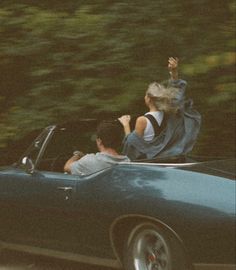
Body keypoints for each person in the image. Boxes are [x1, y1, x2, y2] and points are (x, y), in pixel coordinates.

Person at [118, 57, 201, 160]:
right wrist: (174, 73)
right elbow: (176, 97)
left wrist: (126, 125)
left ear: (149, 99)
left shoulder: (142, 120)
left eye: (145, 95)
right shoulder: (169, 115)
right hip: (163, 162)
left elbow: (131, 147)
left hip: (148, 164)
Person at [64, 121, 130, 175]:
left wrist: (77, 155)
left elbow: (67, 167)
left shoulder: (89, 161)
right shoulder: (128, 162)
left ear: (99, 141)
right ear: (118, 141)